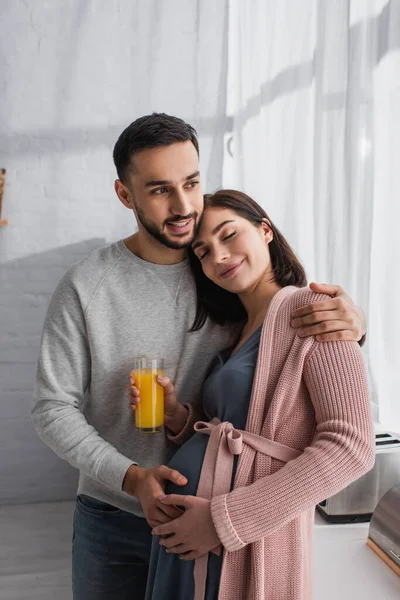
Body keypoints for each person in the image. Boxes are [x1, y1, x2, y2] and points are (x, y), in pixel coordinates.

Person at [32, 114, 367, 600]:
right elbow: (51, 409)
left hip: (216, 519)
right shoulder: (88, 286)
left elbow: (295, 342)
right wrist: (134, 476)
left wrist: (355, 324)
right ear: (126, 196)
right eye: (159, 190)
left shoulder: (223, 278)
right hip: (114, 514)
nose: (185, 206)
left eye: (191, 182)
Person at [129, 190, 375, 600]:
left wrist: (223, 522)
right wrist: (178, 417)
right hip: (191, 537)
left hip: (238, 538)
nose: (219, 257)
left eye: (229, 235)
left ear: (265, 231)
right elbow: (242, 430)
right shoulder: (234, 330)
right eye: (203, 252)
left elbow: (351, 446)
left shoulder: (313, 308)